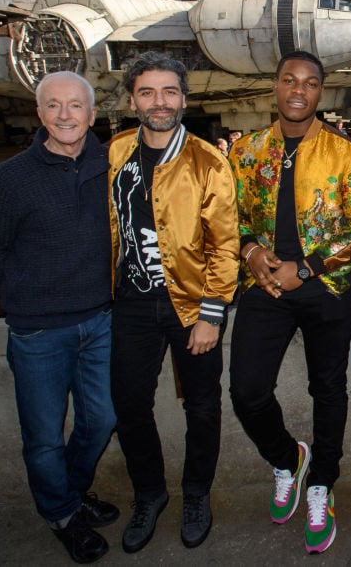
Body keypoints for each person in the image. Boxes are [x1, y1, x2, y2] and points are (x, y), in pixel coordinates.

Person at [228, 50, 351, 553]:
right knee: (246, 389)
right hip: (265, 286)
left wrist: (307, 267)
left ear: (320, 92)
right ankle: (288, 458)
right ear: (275, 86)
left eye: (310, 83)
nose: (298, 90)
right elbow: (230, 220)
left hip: (327, 286)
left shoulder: (343, 151)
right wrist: (249, 251)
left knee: (328, 388)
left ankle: (322, 484)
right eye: (289, 80)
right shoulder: (246, 152)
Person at [0, 71, 118, 563]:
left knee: (102, 419)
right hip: (37, 330)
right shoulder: (10, 179)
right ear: (39, 114)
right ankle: (61, 514)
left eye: (75, 106)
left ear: (92, 115)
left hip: (101, 322)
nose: (64, 115)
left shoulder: (111, 167)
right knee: (42, 437)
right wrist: (28, 297)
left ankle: (68, 498)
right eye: (53, 105)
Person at [108, 52, 240, 553]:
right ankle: (149, 494)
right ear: (133, 100)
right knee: (129, 405)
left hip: (191, 306)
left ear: (184, 98)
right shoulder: (116, 152)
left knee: (203, 407)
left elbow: (225, 245)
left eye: (168, 92)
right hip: (132, 306)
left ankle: (195, 494)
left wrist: (212, 316)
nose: (158, 102)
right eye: (147, 92)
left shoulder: (209, 161)